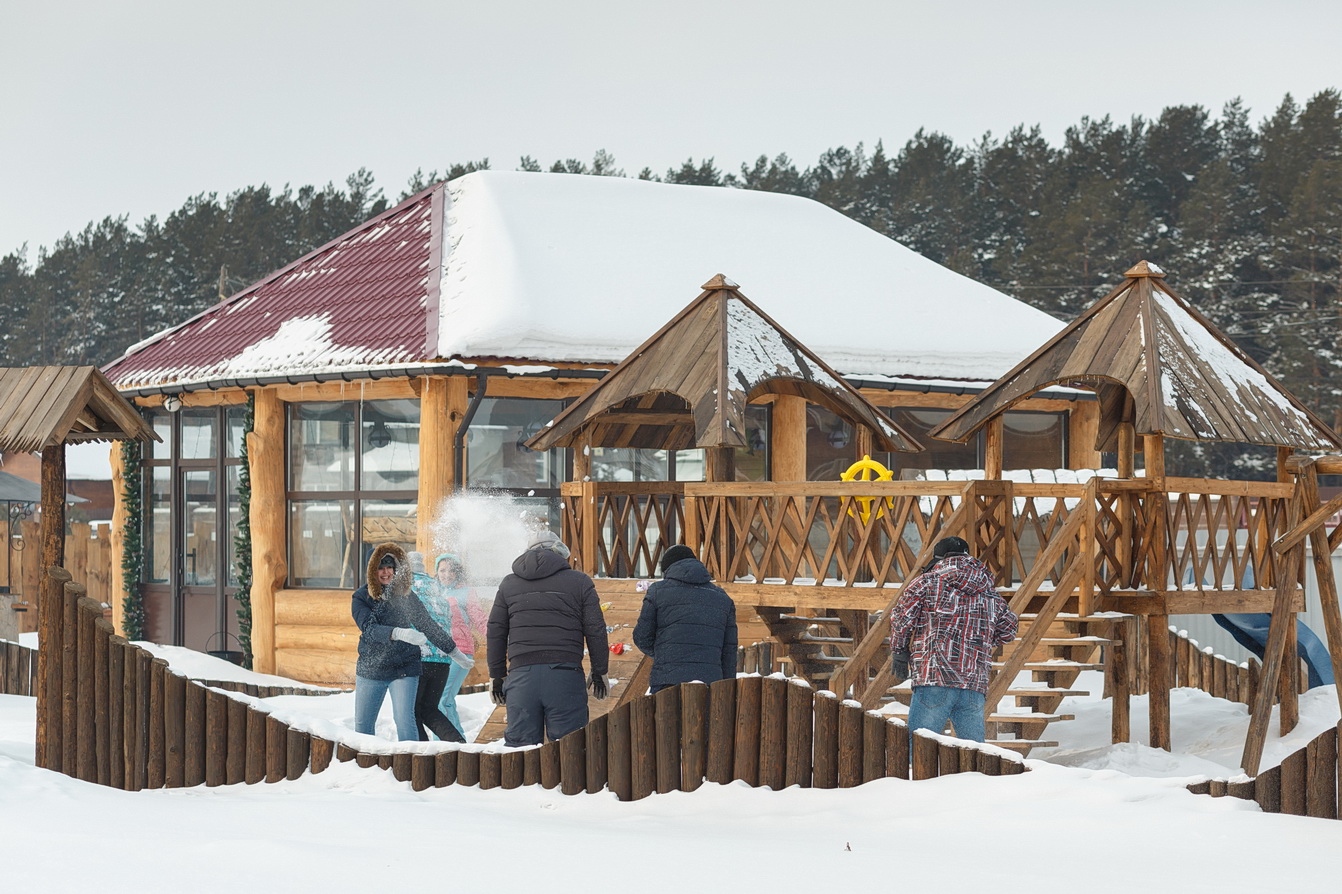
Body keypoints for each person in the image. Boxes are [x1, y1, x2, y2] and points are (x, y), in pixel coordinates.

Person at [888, 536, 1018, 743]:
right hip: (974, 681)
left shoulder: (927, 582)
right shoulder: (990, 593)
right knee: (974, 752)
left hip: (934, 675)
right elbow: (1008, 630)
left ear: (940, 558)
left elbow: (902, 617)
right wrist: (979, 639)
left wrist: (899, 650)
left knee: (921, 747)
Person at [487, 530, 609, 747]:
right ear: (560, 552)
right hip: (565, 675)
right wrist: (600, 670)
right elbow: (595, 629)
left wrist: (497, 675)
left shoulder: (508, 584)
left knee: (521, 752)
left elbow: (496, 631)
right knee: (570, 749)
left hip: (521, 676)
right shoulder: (579, 581)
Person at [351, 543, 468, 741]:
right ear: (371, 571)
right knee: (363, 725)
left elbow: (426, 624)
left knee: (406, 720)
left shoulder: (405, 594)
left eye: (390, 567)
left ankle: (414, 760)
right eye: (380, 568)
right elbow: (369, 629)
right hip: (372, 668)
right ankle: (365, 761)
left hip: (404, 666)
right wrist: (397, 633)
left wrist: (453, 651)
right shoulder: (361, 597)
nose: (386, 572)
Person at [633, 544, 737, 694]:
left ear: (668, 569)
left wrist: (664, 654)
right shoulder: (723, 598)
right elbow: (729, 651)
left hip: (667, 681)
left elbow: (642, 637)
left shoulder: (657, 592)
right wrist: (727, 688)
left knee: (665, 710)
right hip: (710, 684)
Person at [407, 551, 469, 743]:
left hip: (420, 659)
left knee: (412, 712)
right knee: (430, 710)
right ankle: (458, 744)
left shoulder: (407, 587)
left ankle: (424, 754)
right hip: (442, 660)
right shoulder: (437, 588)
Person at [433, 552, 490, 737]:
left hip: (461, 651)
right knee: (438, 700)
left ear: (458, 572)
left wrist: (497, 637)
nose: (447, 574)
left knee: (443, 698)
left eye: (451, 570)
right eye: (442, 570)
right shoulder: (431, 590)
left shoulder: (466, 592)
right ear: (436, 571)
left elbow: (479, 618)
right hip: (436, 653)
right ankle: (449, 741)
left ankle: (451, 742)